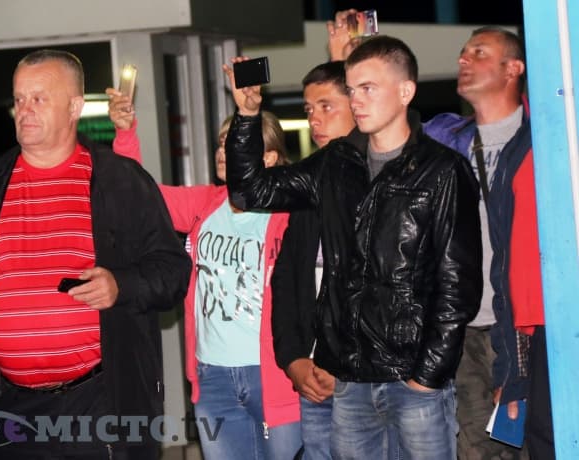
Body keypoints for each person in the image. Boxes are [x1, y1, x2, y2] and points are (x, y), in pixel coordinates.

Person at [224, 35, 482, 460]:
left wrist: (426, 376)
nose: (356, 100)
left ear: (405, 92)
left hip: (413, 380)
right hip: (349, 380)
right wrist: (248, 116)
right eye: (352, 89)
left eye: (368, 88)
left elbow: (458, 286)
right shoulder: (336, 163)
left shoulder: (442, 171)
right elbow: (250, 191)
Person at [0, 49, 192, 460]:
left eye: (39, 98)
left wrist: (121, 285)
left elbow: (173, 270)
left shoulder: (120, 182)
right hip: (6, 409)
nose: (25, 109)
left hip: (97, 403)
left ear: (75, 107)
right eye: (19, 98)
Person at [329, 17, 542, 458]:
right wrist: (355, 63)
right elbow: (381, 131)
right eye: (463, 52)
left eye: (479, 52)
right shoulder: (444, 137)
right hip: (459, 330)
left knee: (534, 444)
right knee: (473, 449)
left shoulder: (544, 140)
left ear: (514, 68)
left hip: (524, 327)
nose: (464, 59)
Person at [107, 90, 302, 460]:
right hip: (213, 377)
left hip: (274, 374)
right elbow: (137, 196)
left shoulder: (290, 213)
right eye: (221, 142)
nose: (223, 151)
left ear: (270, 157)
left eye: (235, 141)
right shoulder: (205, 204)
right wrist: (126, 132)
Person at [270, 60, 354, 460]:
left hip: (368, 377)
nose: (314, 119)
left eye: (326, 106)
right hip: (313, 372)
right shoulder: (310, 183)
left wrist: (348, 365)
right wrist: (293, 359)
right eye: (308, 110)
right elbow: (286, 280)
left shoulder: (387, 180)